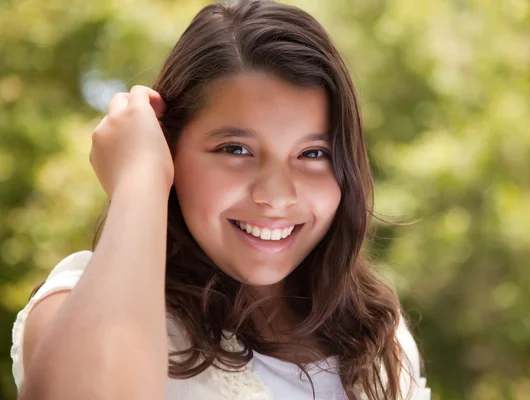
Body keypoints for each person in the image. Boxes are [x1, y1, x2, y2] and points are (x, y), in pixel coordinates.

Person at [10, 1, 431, 399]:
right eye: (236, 149)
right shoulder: (79, 302)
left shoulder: (376, 337)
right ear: (168, 146)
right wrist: (139, 178)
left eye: (313, 154)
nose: (276, 195)